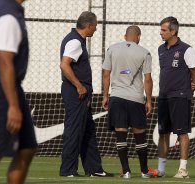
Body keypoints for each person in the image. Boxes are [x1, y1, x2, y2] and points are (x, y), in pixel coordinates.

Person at [0, 0, 38, 183]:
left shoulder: (6, 8)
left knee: (27, 148)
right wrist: (13, 105)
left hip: (11, 87)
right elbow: (4, 61)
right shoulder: (8, 16)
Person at [59, 11, 113, 177]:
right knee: (74, 130)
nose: (95, 30)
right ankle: (68, 170)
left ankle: (94, 169)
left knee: (88, 130)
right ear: (89, 25)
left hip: (80, 92)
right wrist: (78, 85)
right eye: (95, 27)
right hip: (76, 92)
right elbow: (64, 65)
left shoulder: (75, 39)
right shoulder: (75, 41)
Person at [149, 16, 195, 179]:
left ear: (173, 31)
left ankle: (183, 170)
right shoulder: (160, 49)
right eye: (161, 29)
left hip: (180, 97)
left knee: (182, 133)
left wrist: (192, 86)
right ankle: (161, 170)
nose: (160, 33)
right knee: (163, 133)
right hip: (163, 96)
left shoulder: (187, 49)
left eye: (164, 30)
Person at [102, 25, 154, 179]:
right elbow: (148, 79)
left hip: (117, 97)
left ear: (125, 36)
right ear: (138, 37)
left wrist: (106, 95)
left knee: (121, 134)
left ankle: (126, 172)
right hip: (136, 99)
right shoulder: (144, 52)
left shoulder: (112, 49)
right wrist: (149, 100)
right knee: (139, 135)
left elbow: (106, 74)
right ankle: (144, 172)